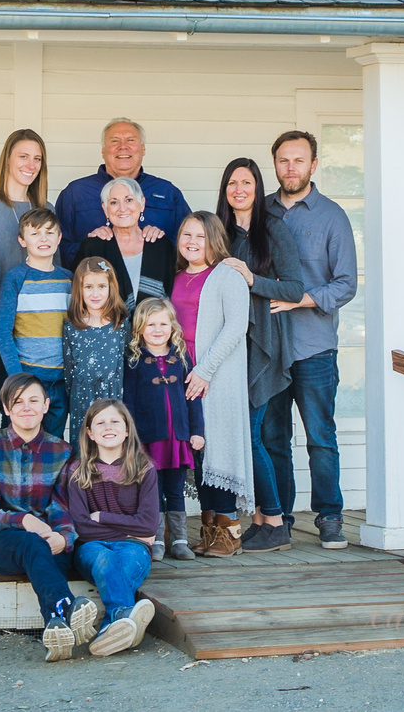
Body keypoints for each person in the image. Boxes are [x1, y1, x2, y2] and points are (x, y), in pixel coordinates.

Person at [264, 130, 359, 550]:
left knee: (321, 437)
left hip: (314, 346)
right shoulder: (261, 212)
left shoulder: (331, 216)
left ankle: (329, 516)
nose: (290, 168)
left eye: (298, 160)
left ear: (313, 165)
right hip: (268, 348)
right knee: (273, 438)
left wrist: (301, 300)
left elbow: (345, 284)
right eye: (284, 160)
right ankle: (279, 517)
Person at [0, 372, 98, 662]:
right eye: (18, 402)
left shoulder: (62, 451)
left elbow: (62, 506)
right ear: (6, 408)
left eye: (33, 400)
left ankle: (56, 627)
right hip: (1, 544)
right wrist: (24, 521)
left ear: (45, 405)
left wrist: (62, 537)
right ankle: (66, 607)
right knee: (31, 543)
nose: (26, 407)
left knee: (45, 546)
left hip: (51, 542)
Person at [217, 158, 306, 553]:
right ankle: (257, 519)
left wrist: (253, 280)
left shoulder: (272, 229)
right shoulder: (219, 231)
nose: (239, 189)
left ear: (258, 187)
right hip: (227, 344)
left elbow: (293, 288)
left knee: (253, 436)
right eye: (232, 183)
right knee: (241, 435)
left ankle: (274, 520)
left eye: (246, 182)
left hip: (261, 345)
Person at [171, 211, 252, 558]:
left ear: (214, 240)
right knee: (198, 449)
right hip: (183, 374)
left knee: (218, 448)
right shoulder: (174, 278)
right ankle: (208, 529)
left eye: (200, 237)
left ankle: (229, 530)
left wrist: (205, 370)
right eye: (186, 235)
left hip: (216, 376)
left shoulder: (226, 276)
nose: (192, 242)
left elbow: (236, 327)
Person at [0, 130, 54, 413]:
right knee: (15, 406)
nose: (31, 164)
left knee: (39, 410)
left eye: (37, 158)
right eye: (23, 157)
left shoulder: (47, 210)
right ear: (7, 160)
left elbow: (56, 272)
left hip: (41, 329)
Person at [66, 399, 158, 656]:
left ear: (127, 429)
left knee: (127, 563)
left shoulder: (144, 468)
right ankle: (124, 617)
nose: (109, 427)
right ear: (89, 433)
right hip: (91, 548)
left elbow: (149, 523)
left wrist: (102, 516)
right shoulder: (78, 470)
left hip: (134, 547)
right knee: (106, 559)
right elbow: (82, 528)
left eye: (115, 421)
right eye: (100, 422)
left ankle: (112, 627)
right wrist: (132, 529)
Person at [123, 297, 205, 561]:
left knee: (175, 489)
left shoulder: (181, 358)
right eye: (150, 325)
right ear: (139, 329)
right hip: (149, 439)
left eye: (163, 324)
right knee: (152, 491)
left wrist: (197, 431)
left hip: (178, 438)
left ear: (172, 327)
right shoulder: (135, 361)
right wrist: (132, 439)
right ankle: (155, 539)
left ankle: (179, 540)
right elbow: (129, 403)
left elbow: (193, 398)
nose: (157, 330)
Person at [55, 118, 190, 263]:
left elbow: (189, 244)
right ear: (103, 151)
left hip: (152, 283)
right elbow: (58, 249)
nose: (123, 146)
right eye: (114, 141)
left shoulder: (167, 192)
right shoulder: (75, 193)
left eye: (131, 140)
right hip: (93, 283)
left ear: (143, 149)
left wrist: (162, 242)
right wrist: (89, 246)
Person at [0, 208, 73, 440]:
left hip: (61, 381)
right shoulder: (15, 278)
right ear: (22, 240)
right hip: (27, 378)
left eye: (50, 233)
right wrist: (17, 379)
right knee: (19, 443)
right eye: (35, 233)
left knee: (53, 445)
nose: (43, 239)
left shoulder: (69, 279)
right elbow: (3, 331)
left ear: (59, 238)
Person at [74, 177, 176, 312]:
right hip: (106, 331)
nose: (122, 208)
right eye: (114, 202)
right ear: (105, 209)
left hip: (154, 331)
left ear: (142, 204)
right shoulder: (93, 247)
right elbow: (79, 297)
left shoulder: (160, 246)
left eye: (129, 200)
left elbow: (172, 294)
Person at [62, 257, 129, 445]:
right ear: (79, 289)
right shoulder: (72, 327)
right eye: (88, 287)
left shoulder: (120, 325)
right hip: (82, 400)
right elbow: (69, 370)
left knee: (111, 449)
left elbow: (127, 362)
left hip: (113, 398)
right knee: (84, 450)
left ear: (110, 287)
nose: (95, 293)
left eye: (101, 286)